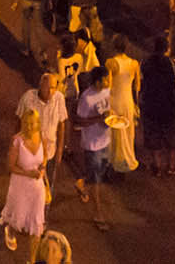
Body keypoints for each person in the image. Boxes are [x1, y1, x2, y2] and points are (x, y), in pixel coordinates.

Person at [0, 107, 49, 257]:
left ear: (38, 123)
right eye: (27, 123)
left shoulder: (42, 136)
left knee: (36, 224)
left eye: (33, 123)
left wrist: (42, 168)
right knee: (18, 218)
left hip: (37, 187)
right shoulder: (17, 141)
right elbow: (11, 166)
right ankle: (11, 230)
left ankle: (32, 260)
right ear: (23, 123)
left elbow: (45, 157)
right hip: (20, 185)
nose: (30, 126)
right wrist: (28, 173)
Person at [71, 66, 115, 230]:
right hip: (92, 144)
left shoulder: (107, 90)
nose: (109, 81)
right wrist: (98, 118)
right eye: (106, 79)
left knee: (100, 173)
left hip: (106, 139)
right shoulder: (86, 98)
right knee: (97, 181)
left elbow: (108, 109)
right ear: (97, 82)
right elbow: (79, 122)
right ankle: (98, 214)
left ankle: (81, 183)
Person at [137, 35, 175, 178]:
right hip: (169, 107)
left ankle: (157, 166)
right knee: (171, 138)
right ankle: (171, 167)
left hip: (150, 106)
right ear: (167, 49)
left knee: (153, 137)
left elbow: (140, 85)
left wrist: (140, 101)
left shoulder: (145, 63)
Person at [17, 72, 70, 184]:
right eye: (47, 88)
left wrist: (60, 150)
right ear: (40, 86)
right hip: (31, 150)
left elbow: (61, 125)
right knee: (30, 181)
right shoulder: (28, 98)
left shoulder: (59, 98)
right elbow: (19, 120)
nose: (50, 92)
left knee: (47, 183)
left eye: (53, 88)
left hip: (50, 151)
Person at [104, 33, 141, 174]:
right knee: (128, 132)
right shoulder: (134, 63)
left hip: (115, 101)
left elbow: (108, 86)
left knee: (114, 133)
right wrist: (136, 104)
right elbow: (137, 87)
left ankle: (113, 160)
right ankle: (128, 158)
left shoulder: (111, 63)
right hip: (128, 102)